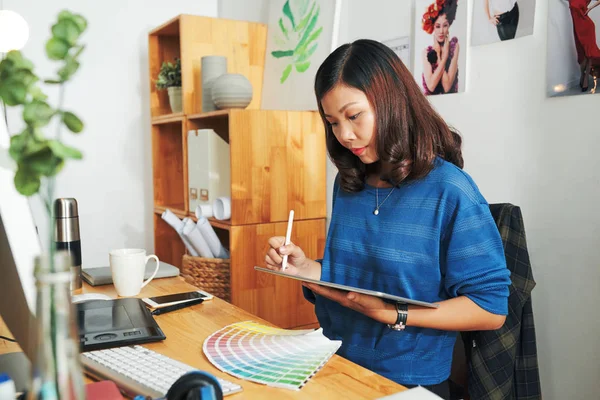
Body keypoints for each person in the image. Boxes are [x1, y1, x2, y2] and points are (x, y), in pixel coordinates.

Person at [262, 39, 511, 400]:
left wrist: (398, 314)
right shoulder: (349, 182)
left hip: (409, 382)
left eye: (353, 116)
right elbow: (356, 282)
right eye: (332, 122)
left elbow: (490, 308)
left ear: (391, 102)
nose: (344, 135)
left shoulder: (450, 190)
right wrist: (306, 270)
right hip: (334, 364)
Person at [421, 0, 460, 95]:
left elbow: (447, 87)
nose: (441, 31)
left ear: (449, 25)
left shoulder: (454, 47)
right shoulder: (426, 52)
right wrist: (440, 55)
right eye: (438, 26)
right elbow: (431, 85)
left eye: (445, 26)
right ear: (433, 27)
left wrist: (444, 55)